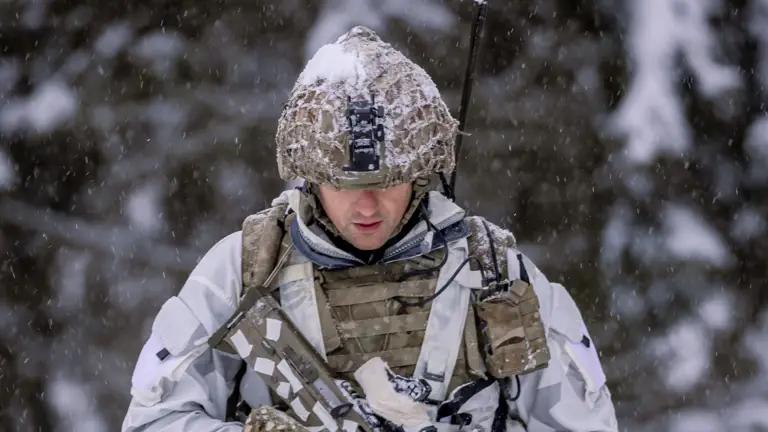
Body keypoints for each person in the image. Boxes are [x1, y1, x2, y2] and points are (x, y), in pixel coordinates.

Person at [122, 26, 618, 432]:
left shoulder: (495, 274)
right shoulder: (245, 269)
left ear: (421, 174)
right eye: (343, 184)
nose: (366, 204)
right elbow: (153, 422)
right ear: (311, 178)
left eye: (389, 181)